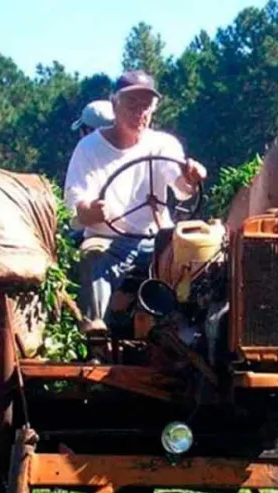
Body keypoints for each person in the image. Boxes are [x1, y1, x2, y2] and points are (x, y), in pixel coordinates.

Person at [63, 69, 207, 334]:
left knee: (204, 259)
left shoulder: (164, 144)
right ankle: (95, 329)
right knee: (92, 254)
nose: (140, 112)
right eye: (132, 104)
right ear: (114, 103)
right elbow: (76, 204)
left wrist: (191, 177)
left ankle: (192, 334)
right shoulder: (89, 148)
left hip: (157, 240)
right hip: (109, 239)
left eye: (146, 106)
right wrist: (90, 211)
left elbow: (182, 189)